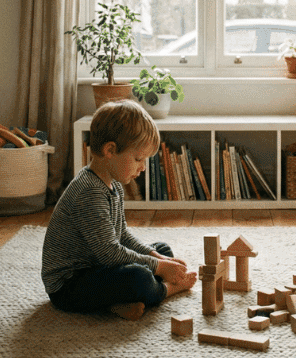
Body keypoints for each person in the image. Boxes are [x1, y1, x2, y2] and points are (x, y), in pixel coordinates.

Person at [41, 100, 196, 320]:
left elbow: (121, 236)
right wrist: (159, 268)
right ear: (110, 150)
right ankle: (166, 290)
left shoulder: (113, 185)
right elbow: (111, 253)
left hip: (97, 267)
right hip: (69, 286)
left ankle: (116, 303)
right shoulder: (89, 192)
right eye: (138, 159)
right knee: (140, 277)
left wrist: (157, 257)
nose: (142, 168)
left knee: (163, 249)